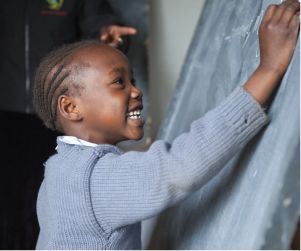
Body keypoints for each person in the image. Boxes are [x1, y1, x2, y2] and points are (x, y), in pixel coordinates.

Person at [32, 1, 301, 250]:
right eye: (119, 82)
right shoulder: (94, 181)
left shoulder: (58, 174)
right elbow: (182, 165)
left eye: (133, 81)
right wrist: (270, 68)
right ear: (71, 108)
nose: (136, 92)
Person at [0, 0, 136, 250]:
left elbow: (101, 28)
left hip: (57, 114)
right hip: (5, 113)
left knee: (53, 204)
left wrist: (111, 37)